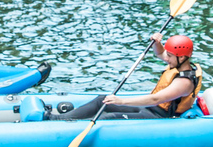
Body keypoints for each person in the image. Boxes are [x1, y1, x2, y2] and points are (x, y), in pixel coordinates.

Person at [48, 34, 202, 120]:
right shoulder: (177, 62)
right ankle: (59, 120)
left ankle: (70, 131)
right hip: (151, 108)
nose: (165, 58)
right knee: (101, 100)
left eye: (169, 56)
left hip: (158, 115)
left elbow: (156, 99)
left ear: (181, 58)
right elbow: (159, 53)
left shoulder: (184, 83)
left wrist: (121, 101)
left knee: (109, 117)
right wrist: (157, 42)